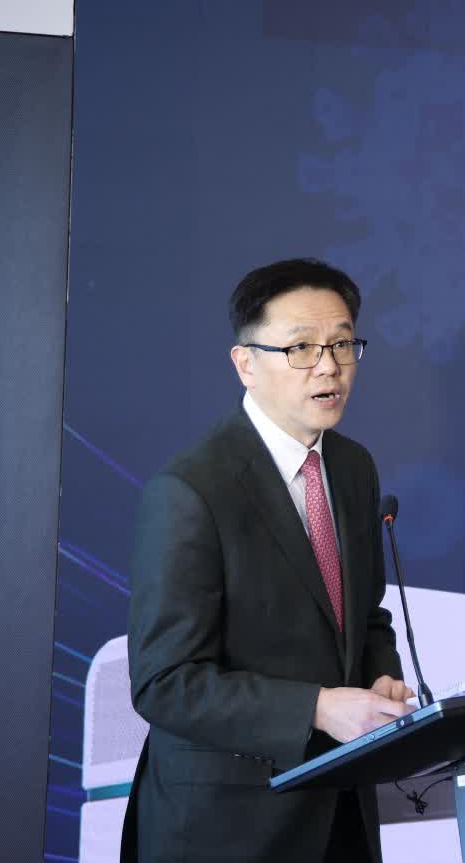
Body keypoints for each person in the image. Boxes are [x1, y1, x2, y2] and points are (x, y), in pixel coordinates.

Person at [122, 258, 414, 862]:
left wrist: (380, 676)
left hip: (341, 809)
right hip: (229, 826)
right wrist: (318, 708)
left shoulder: (352, 467)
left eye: (342, 344)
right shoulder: (191, 490)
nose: (328, 366)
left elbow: (364, 617)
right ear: (246, 364)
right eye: (301, 348)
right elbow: (165, 684)